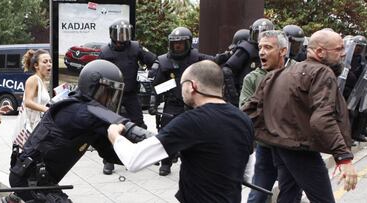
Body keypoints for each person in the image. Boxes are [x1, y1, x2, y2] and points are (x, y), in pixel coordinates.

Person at [4, 59, 150, 203]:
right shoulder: (77, 110)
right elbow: (117, 122)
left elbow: (111, 153)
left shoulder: (90, 119)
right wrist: (155, 139)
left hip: (43, 179)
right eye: (106, 92)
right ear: (92, 88)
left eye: (113, 94)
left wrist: (148, 154)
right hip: (29, 180)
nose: (109, 99)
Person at [108, 60, 254, 203]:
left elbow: (134, 160)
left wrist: (115, 136)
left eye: (182, 85)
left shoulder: (191, 121)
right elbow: (247, 174)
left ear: (192, 86)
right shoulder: (244, 120)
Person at [242, 30, 358, 203]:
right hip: (300, 150)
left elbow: (248, 112)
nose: (343, 53)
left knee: (289, 196)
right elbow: (322, 119)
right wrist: (344, 158)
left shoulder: (278, 75)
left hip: (282, 147)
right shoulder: (322, 73)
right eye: (339, 49)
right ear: (320, 52)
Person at [148, 27, 215, 176]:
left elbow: (216, 61)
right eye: (174, 44)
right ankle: (166, 162)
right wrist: (153, 102)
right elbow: (158, 86)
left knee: (196, 134)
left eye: (181, 43)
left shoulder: (197, 58)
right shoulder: (164, 61)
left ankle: (192, 162)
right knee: (166, 132)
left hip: (194, 103)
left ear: (189, 43)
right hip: (173, 103)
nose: (177, 46)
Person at [98, 19, 157, 175]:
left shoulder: (135, 47)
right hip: (112, 94)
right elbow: (97, 71)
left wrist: (154, 70)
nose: (122, 38)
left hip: (130, 93)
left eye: (125, 34)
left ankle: (141, 155)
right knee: (109, 126)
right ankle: (108, 160)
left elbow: (153, 60)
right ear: (112, 35)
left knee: (138, 124)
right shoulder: (105, 52)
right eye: (119, 34)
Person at [239, 30, 289, 203]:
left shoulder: (299, 71)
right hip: (265, 146)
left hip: (292, 148)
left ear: (283, 51)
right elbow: (246, 111)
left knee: (290, 194)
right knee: (258, 193)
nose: (261, 52)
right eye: (260, 47)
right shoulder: (252, 79)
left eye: (268, 47)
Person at [222, 18, 274, 106]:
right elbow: (227, 70)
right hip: (243, 93)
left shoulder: (273, 50)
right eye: (258, 34)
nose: (261, 39)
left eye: (265, 35)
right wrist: (234, 95)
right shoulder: (246, 49)